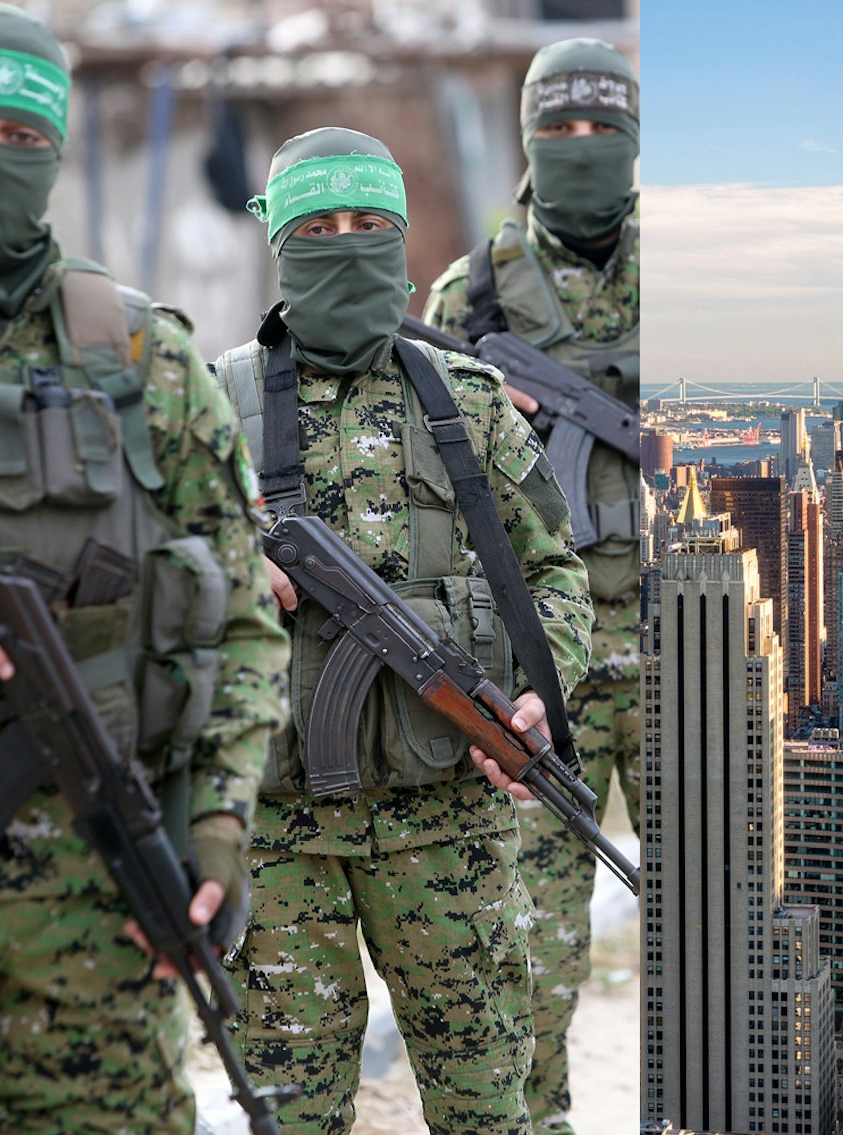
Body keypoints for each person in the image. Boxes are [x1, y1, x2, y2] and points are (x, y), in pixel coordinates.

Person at [0, 4, 291, 1127]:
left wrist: (218, 825)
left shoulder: (147, 360)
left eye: (21, 136)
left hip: (100, 887)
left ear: (57, 152)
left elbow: (245, 618)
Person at [216, 127, 594, 1133]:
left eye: (369, 225)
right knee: (290, 1113)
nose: (346, 244)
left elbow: (551, 574)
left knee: (484, 1108)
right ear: (278, 243)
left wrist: (534, 699)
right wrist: (222, 576)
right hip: (277, 829)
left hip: (448, 823)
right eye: (319, 227)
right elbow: (140, 584)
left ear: (402, 240)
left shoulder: (466, 404)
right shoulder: (214, 403)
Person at [421, 38, 638, 1132]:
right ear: (524, 139)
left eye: (602, 127)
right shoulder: (474, 292)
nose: (581, 149)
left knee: (732, 932)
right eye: (557, 128)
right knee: (530, 946)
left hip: (685, 643)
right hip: (538, 655)